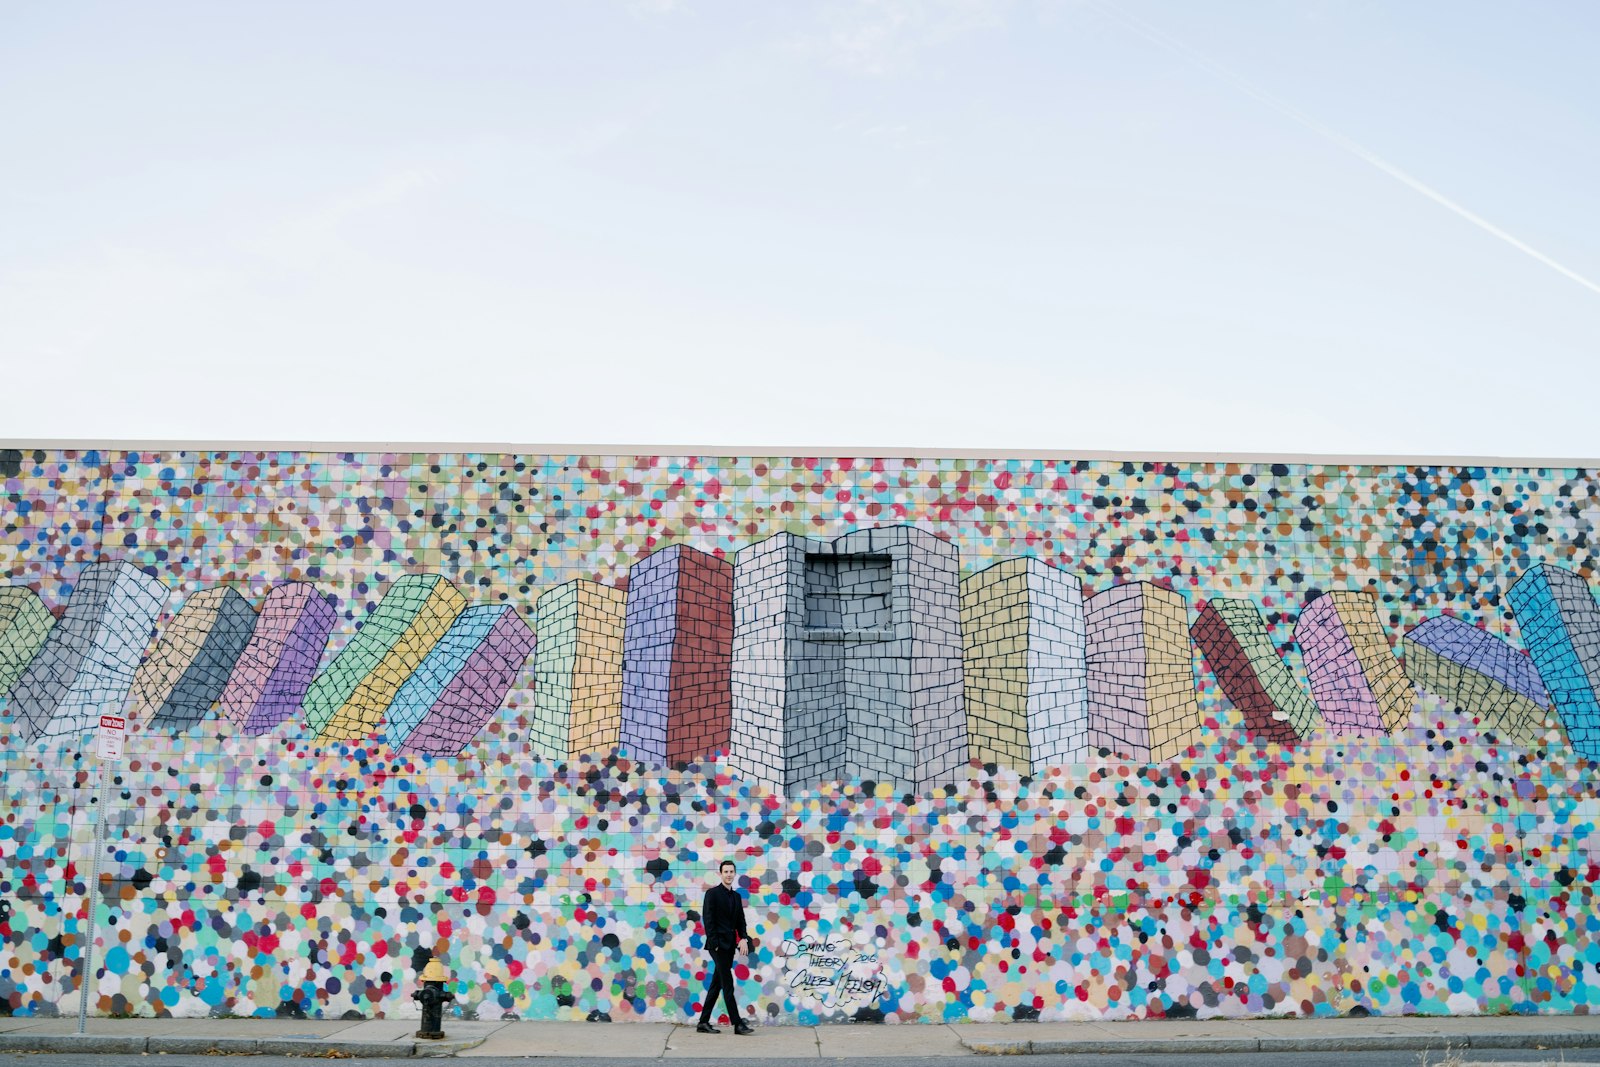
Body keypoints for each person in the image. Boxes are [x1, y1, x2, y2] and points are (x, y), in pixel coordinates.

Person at [696, 859, 757, 1035]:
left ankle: (703, 1022)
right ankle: (737, 1024)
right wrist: (714, 944)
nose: (729, 874)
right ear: (720, 874)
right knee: (727, 984)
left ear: (734, 874)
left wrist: (743, 938)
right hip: (717, 946)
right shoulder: (712, 894)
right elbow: (708, 919)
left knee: (717, 984)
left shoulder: (737, 897)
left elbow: (740, 921)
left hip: (730, 945)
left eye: (731, 872)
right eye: (726, 872)